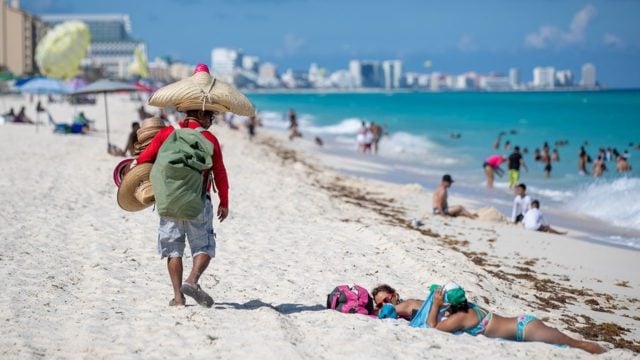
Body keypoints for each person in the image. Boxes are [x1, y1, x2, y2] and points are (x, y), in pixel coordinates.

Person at [137, 63, 252, 307]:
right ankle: (192, 279)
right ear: (200, 113)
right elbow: (220, 173)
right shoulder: (209, 139)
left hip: (168, 201)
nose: (212, 120)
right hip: (198, 200)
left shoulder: (166, 133)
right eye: (210, 115)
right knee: (204, 246)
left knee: (173, 250)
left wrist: (132, 180)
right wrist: (225, 202)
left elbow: (144, 160)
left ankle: (178, 297)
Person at [424, 286, 605, 354]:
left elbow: (433, 327)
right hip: (524, 323)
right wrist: (442, 305)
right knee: (567, 341)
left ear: (449, 303)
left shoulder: (460, 317)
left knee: (576, 344)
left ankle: (605, 353)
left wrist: (435, 305)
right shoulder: (468, 307)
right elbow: (451, 312)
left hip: (525, 330)